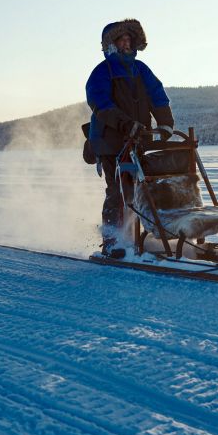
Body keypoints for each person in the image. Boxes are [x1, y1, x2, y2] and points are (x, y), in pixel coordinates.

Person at [85, 19, 174, 258]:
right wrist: (125, 123)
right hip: (110, 138)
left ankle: (136, 235)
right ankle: (112, 240)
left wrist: (165, 123)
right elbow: (100, 103)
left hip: (137, 137)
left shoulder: (140, 69)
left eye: (128, 40)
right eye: (121, 40)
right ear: (111, 45)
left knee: (139, 188)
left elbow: (157, 94)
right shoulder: (103, 72)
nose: (126, 44)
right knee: (117, 190)